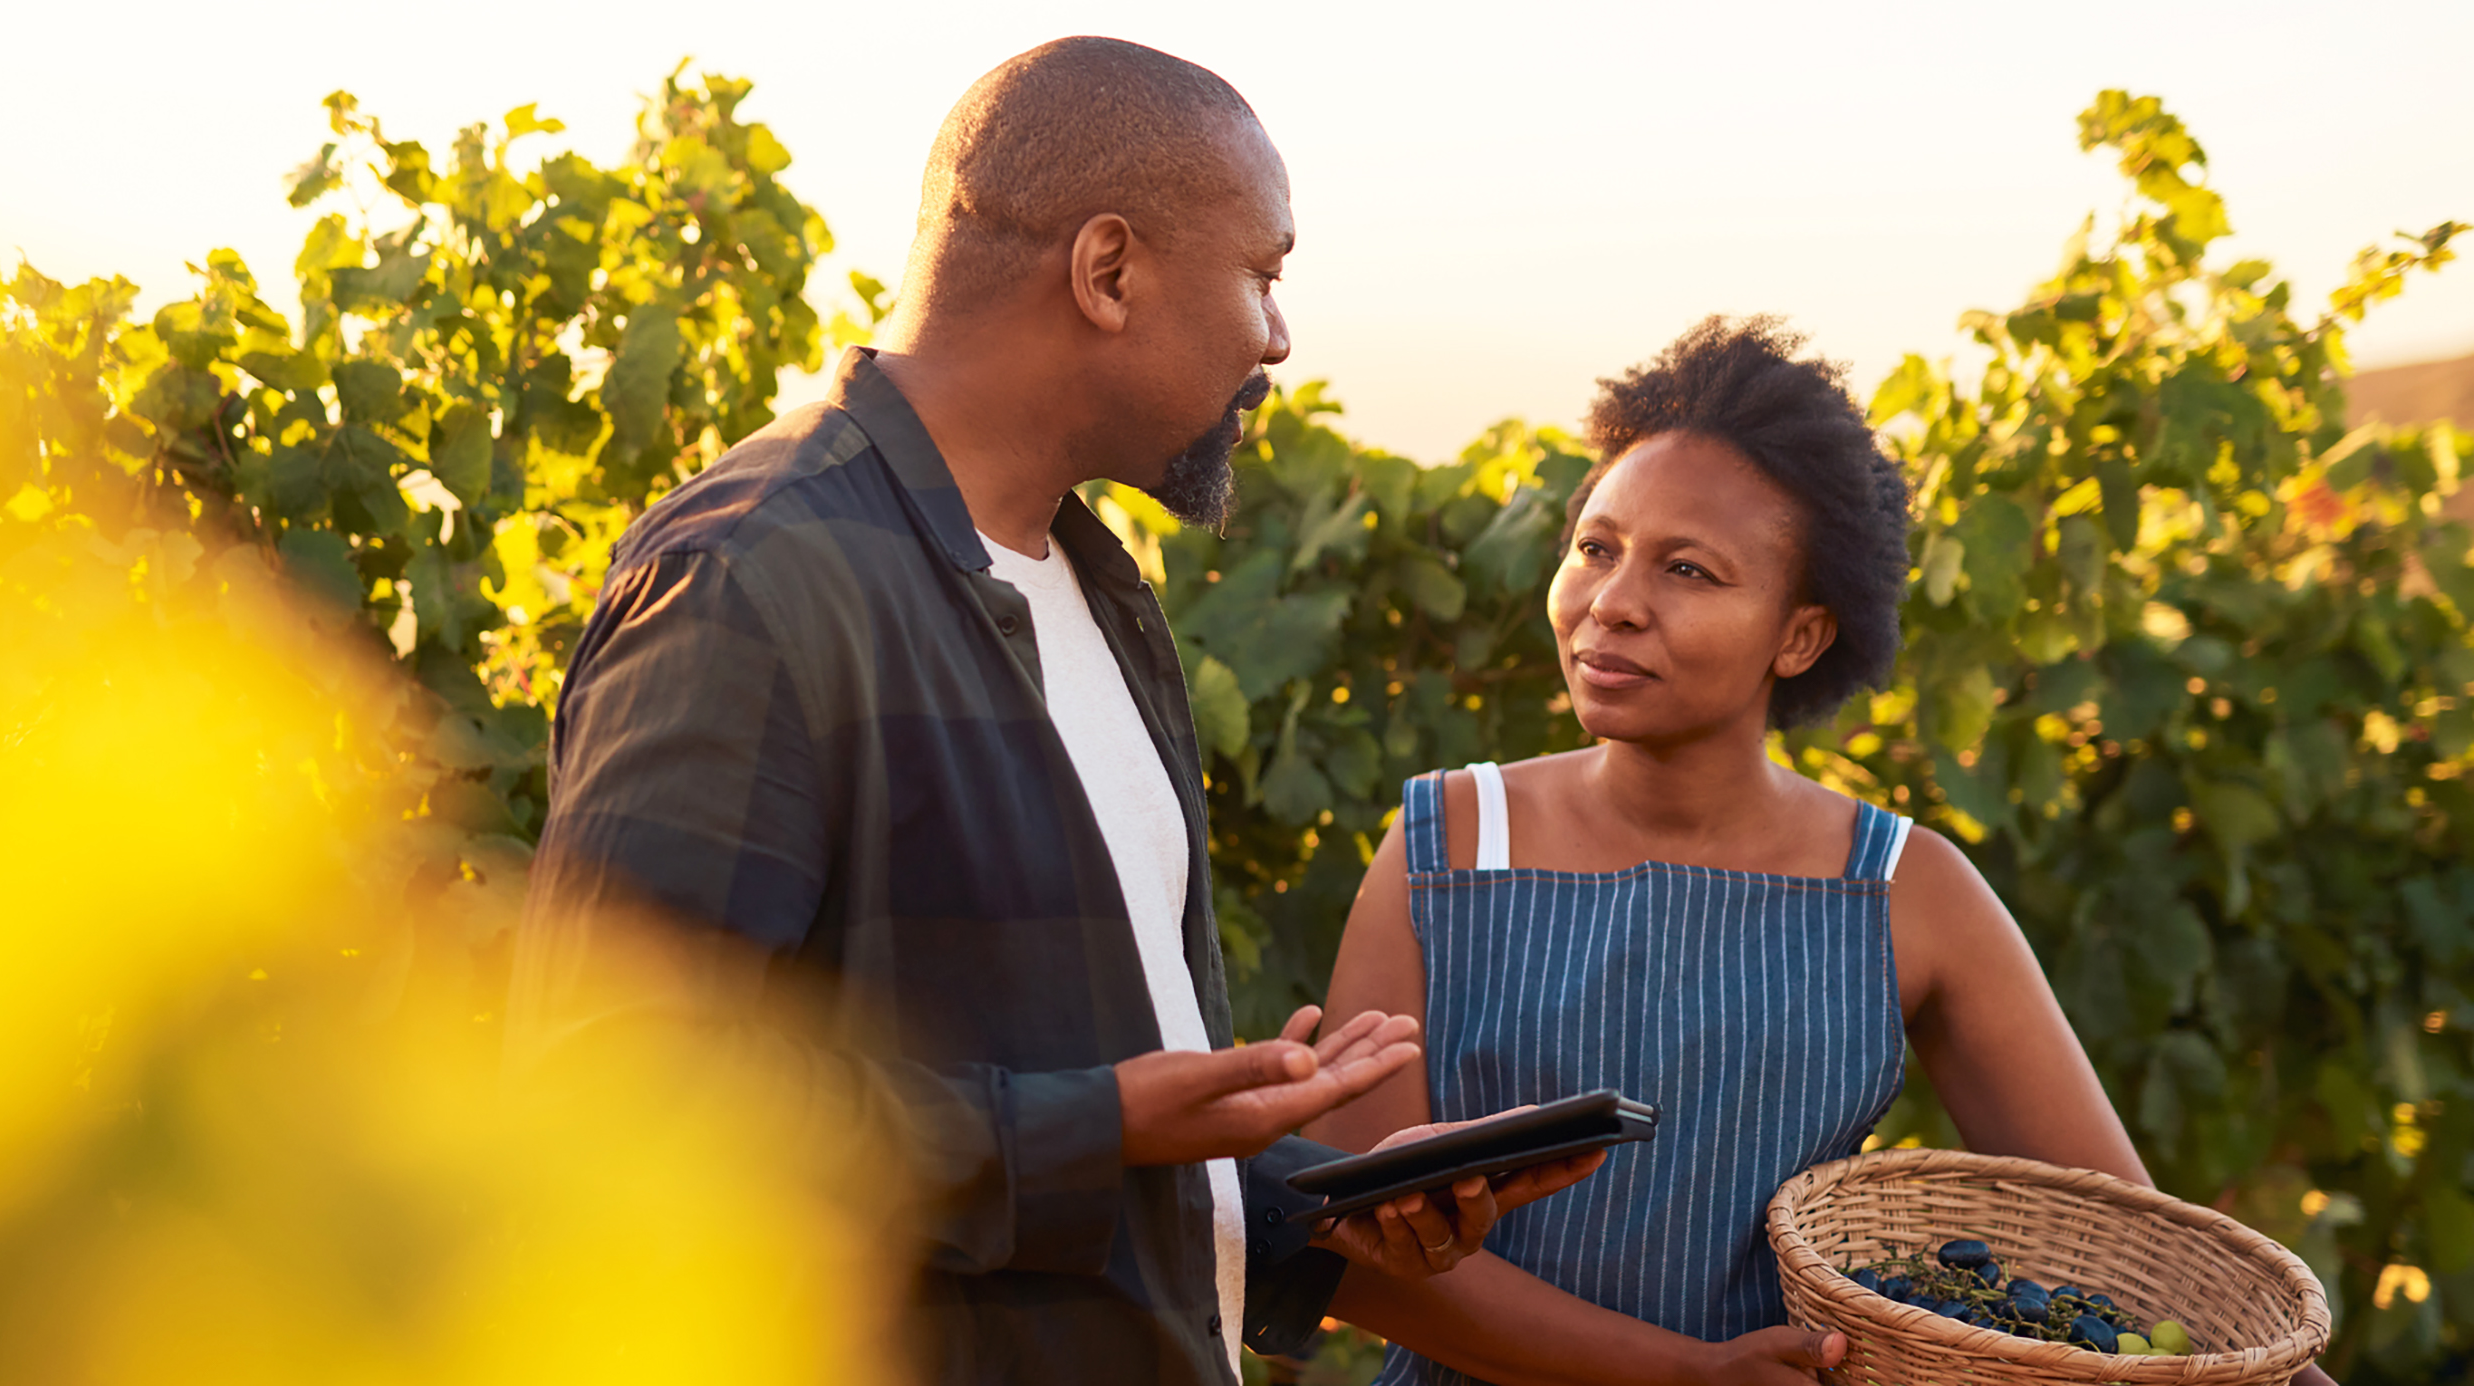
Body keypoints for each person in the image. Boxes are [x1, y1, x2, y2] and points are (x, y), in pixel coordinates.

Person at [508, 37, 1601, 1386]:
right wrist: (1097, 1124)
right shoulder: (753, 581)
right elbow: (610, 1110)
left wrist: (1315, 1207)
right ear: (1109, 271)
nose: (1280, 335)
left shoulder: (1097, 587)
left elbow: (1075, 1137)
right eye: (1263, 273)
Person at [1303, 317, 2332, 1386]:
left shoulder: (1904, 889)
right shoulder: (1445, 842)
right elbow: (1359, 1250)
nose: (1612, 603)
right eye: (1596, 548)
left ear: (1799, 636)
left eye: (1689, 569)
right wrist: (1679, 1378)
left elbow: (2140, 1257)